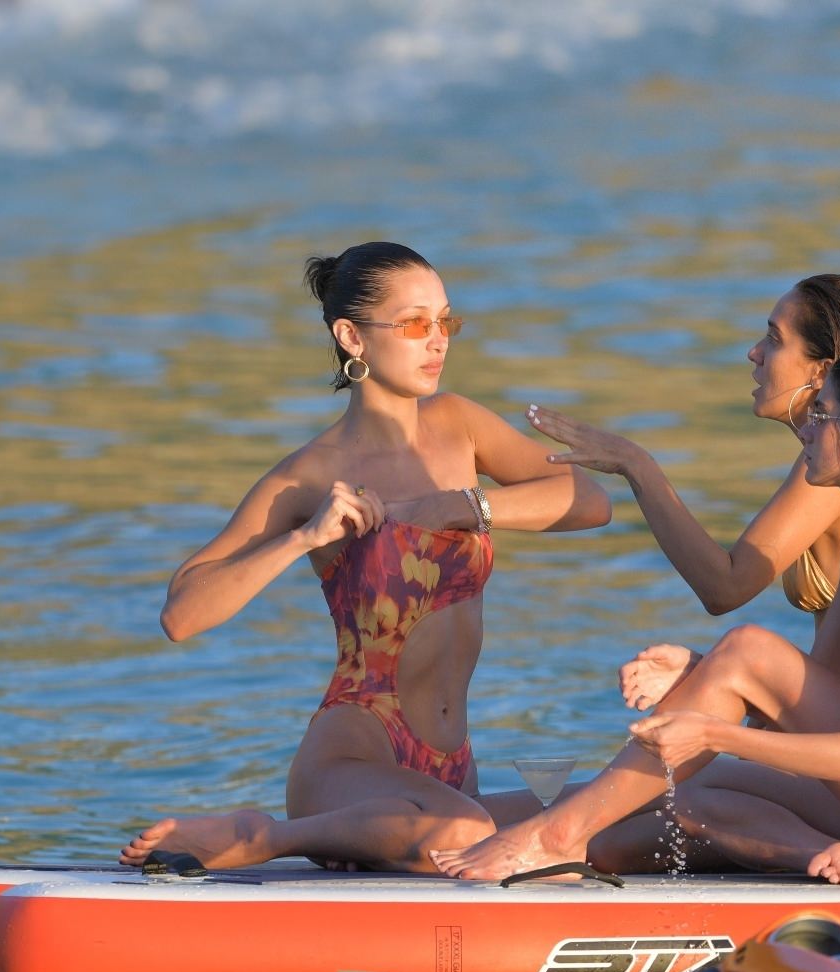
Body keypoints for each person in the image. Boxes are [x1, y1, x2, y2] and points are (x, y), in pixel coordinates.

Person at [434, 349, 840, 886]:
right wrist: (709, 676)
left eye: (822, 415)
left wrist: (713, 732)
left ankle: (555, 834)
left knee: (748, 655)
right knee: (684, 803)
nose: (805, 430)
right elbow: (804, 700)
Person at [119, 242, 611, 873]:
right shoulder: (310, 475)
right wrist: (302, 538)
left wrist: (465, 505)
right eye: (414, 325)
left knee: (607, 809)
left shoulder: (459, 424)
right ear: (352, 337)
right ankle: (261, 836)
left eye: (446, 322)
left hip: (451, 766)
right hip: (355, 754)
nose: (438, 341)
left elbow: (588, 500)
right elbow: (182, 613)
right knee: (465, 832)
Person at [526, 274, 840, 625]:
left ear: (821, 372)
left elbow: (725, 588)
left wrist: (635, 464)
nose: (754, 353)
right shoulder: (829, 461)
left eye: (774, 339)